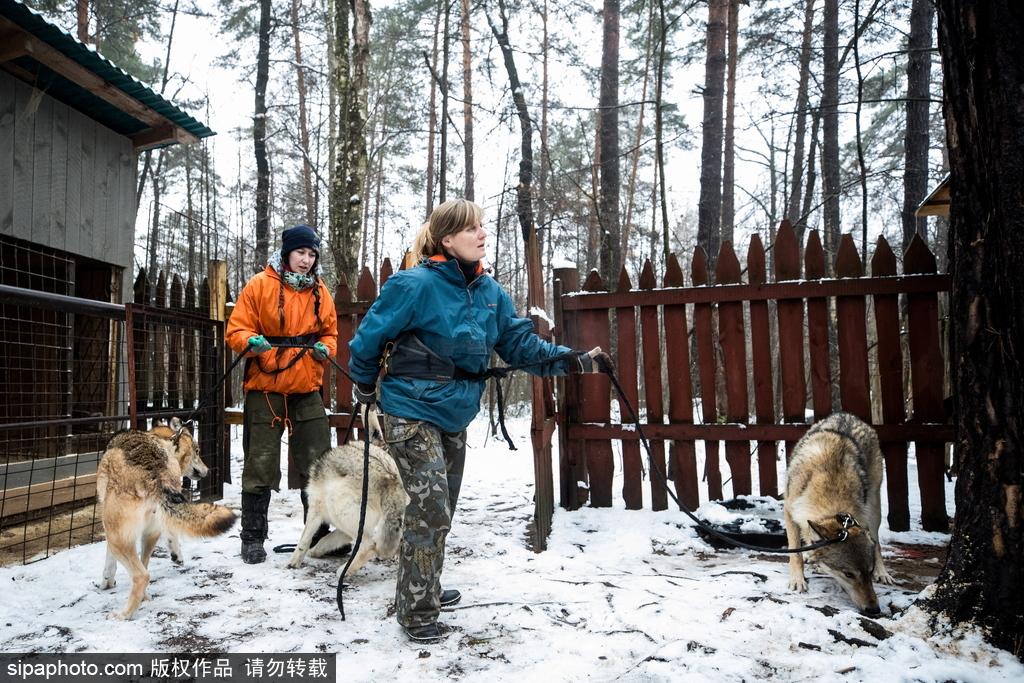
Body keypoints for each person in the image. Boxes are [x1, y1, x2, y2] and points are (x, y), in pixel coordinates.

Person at [348, 199, 611, 642]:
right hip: (410, 409)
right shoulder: (412, 285)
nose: (482, 235)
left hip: (454, 413)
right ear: (447, 239)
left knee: (441, 510)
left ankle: (420, 587)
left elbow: (521, 347)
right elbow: (367, 341)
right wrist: (366, 388)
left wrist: (575, 361)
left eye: (483, 227)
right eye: (472, 229)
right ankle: (416, 613)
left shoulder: (491, 293)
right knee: (430, 509)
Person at [226, 224, 338, 564]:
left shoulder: (320, 291)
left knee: (318, 463)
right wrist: (250, 342)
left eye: (311, 254)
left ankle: (317, 535)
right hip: (265, 385)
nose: (306, 260)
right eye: (300, 252)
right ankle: (252, 538)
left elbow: (331, 332)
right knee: (260, 462)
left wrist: (325, 348)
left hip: (306, 385)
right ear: (287, 253)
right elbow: (237, 328)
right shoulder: (260, 285)